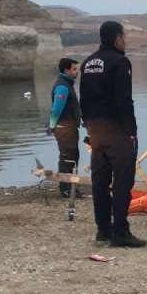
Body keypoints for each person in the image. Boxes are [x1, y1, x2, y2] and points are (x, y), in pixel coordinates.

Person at [80, 20, 145, 248]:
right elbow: (123, 99)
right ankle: (120, 231)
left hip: (95, 129)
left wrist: (87, 124)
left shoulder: (88, 63)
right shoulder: (119, 62)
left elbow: (84, 97)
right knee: (122, 181)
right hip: (116, 129)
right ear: (117, 38)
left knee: (100, 180)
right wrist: (131, 130)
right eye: (123, 36)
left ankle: (102, 230)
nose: (124, 41)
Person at [46, 57, 81, 197]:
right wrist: (52, 126)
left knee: (72, 155)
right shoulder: (62, 86)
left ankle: (70, 187)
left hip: (68, 126)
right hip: (64, 127)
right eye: (74, 69)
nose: (77, 72)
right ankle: (66, 189)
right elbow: (56, 109)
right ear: (66, 70)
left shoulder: (67, 84)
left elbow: (71, 106)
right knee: (68, 157)